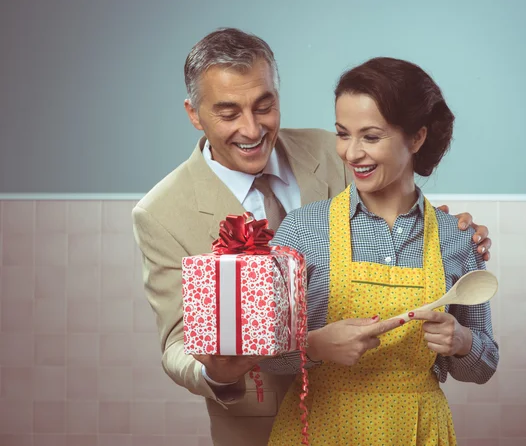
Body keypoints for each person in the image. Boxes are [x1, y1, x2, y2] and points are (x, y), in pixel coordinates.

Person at [131, 28, 493, 446]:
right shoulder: (160, 214)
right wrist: (218, 369)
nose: (251, 129)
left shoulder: (333, 152)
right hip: (257, 416)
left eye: (264, 106)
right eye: (229, 114)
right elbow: (178, 340)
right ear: (194, 114)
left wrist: (446, 233)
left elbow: (390, 201)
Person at [263, 57, 499, 445]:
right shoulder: (303, 230)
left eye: (370, 137)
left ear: (416, 138)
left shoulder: (457, 238)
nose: (351, 153)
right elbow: (262, 353)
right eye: (343, 133)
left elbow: (484, 366)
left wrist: (462, 342)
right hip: (321, 429)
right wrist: (315, 345)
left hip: (420, 431)